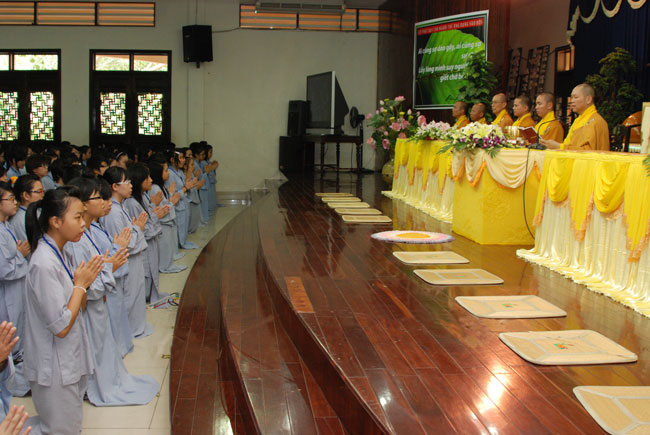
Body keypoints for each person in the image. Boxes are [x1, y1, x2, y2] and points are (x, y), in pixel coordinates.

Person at [65, 177, 159, 407]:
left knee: (105, 347)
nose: (104, 202)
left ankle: (109, 380)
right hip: (92, 301)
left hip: (101, 297)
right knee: (97, 349)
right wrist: (110, 265)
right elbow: (86, 279)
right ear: (83, 204)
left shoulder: (89, 230)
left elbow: (99, 265)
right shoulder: (76, 240)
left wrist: (109, 263)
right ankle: (98, 386)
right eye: (98, 197)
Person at [23, 186, 104, 435]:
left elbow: (78, 306)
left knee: (69, 425)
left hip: (68, 357)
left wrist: (82, 286)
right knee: (60, 429)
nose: (83, 224)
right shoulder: (43, 263)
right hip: (53, 364)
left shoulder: (62, 253)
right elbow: (60, 327)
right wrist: (80, 286)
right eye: (77, 217)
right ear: (56, 221)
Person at [100, 167, 152, 339]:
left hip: (133, 258)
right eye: (127, 182)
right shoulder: (113, 212)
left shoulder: (120, 206)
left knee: (136, 294)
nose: (131, 186)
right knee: (130, 296)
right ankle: (130, 330)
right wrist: (138, 228)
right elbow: (124, 243)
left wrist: (136, 229)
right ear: (114, 186)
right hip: (127, 260)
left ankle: (136, 326)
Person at [91, 178, 134, 357]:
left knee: (117, 318)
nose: (107, 204)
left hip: (111, 279)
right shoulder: (88, 232)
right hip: (104, 285)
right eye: (103, 199)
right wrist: (118, 249)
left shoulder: (97, 225)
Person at [0, 182, 30, 397]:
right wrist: (20, 255)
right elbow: (5, 269)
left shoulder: (6, 226)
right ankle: (14, 384)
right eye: (10, 199)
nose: (15, 203)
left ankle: (21, 380)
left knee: (19, 333)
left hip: (16, 290)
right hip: (6, 292)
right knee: (11, 337)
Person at [124, 164, 170, 304]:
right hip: (144, 244)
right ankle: (146, 297)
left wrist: (155, 213)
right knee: (147, 271)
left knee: (153, 268)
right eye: (147, 178)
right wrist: (156, 216)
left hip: (151, 242)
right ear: (139, 181)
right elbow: (143, 229)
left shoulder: (142, 197)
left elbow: (148, 219)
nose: (151, 180)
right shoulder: (131, 203)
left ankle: (152, 294)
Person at [540, 83, 610, 150]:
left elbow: (588, 152)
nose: (572, 101)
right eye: (572, 97)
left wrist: (559, 146)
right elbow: (569, 145)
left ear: (588, 99)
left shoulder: (595, 122)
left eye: (576, 97)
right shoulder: (578, 121)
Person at [148, 161, 185, 273]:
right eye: (165, 171)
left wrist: (170, 198)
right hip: (163, 223)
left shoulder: (161, 186)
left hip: (167, 223)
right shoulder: (155, 188)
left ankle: (168, 264)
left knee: (168, 247)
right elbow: (162, 209)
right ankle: (165, 266)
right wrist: (171, 202)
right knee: (164, 248)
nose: (168, 173)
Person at [167, 151, 198, 250]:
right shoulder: (170, 173)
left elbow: (185, 185)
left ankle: (182, 242)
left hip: (183, 203)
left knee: (184, 226)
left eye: (183, 158)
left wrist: (188, 183)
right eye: (180, 158)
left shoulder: (179, 172)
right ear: (172, 160)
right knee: (179, 226)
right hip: (177, 204)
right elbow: (172, 193)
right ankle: (180, 243)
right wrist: (185, 188)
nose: (183, 160)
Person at [9, 175, 44, 245]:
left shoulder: (37, 210)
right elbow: (31, 246)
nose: (42, 195)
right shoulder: (19, 221)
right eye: (39, 191)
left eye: (43, 191)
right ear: (26, 195)